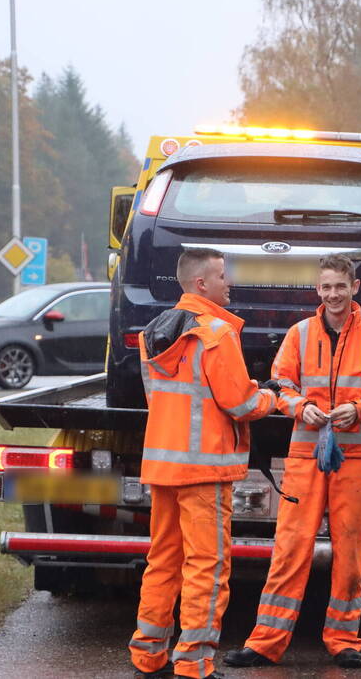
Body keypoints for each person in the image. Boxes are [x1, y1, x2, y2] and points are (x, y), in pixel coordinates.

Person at [224, 253, 361, 670]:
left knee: (352, 552)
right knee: (289, 549)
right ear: (317, 290)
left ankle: (343, 639)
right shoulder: (299, 334)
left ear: (354, 288)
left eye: (341, 286)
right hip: (305, 455)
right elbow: (280, 382)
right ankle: (265, 642)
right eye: (326, 287)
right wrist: (299, 407)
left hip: (357, 457)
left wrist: (358, 409)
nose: (334, 294)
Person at [129, 247, 278, 679]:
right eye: (222, 275)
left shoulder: (152, 332)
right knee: (207, 567)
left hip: (164, 463)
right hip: (206, 469)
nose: (229, 282)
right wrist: (274, 395)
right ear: (202, 284)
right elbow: (242, 402)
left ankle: (148, 656)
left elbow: (159, 399)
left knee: (163, 560)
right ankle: (194, 664)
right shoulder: (216, 333)